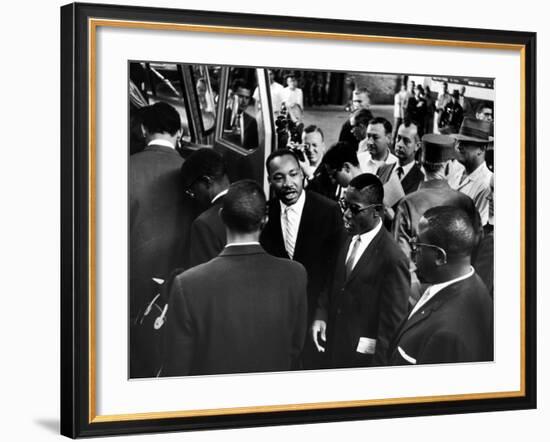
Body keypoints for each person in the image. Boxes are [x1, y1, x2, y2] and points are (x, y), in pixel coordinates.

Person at [161, 180, 308, 376]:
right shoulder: (295, 274)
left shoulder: (186, 284)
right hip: (273, 397)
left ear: (222, 217)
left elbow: (177, 367)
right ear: (265, 220)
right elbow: (296, 347)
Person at [311, 174, 410, 368]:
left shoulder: (393, 258)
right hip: (331, 353)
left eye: (354, 209)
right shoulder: (346, 235)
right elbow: (332, 282)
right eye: (344, 205)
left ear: (377, 211)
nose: (346, 214)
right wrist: (320, 315)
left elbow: (390, 329)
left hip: (362, 363)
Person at [260, 149, 344, 369]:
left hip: (315, 318)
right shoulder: (264, 216)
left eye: (293, 174)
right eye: (279, 177)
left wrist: (321, 313)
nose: (288, 183)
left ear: (303, 175)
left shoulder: (329, 211)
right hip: (276, 321)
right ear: (270, 181)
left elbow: (335, 270)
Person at [129, 101, 195, 377]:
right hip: (177, 283)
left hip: (131, 281)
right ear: (178, 132)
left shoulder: (122, 168)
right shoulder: (191, 171)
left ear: (143, 129)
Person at [389, 206, 493, 365]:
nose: (412, 251)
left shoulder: (448, 335)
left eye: (417, 245)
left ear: (439, 256)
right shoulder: (472, 284)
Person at [392, 134, 479, 306]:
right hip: (459, 294)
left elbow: (401, 261)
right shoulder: (465, 203)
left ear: (422, 165)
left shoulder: (407, 204)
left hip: (418, 297)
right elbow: (476, 250)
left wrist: (420, 299)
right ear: (447, 166)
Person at [180, 148, 231, 268]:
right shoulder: (252, 204)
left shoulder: (204, 224)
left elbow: (203, 278)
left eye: (191, 189)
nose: (193, 195)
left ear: (206, 181)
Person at [448, 117, 494, 225]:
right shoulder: (455, 172)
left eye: (466, 143)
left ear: (482, 149)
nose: (458, 146)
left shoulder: (487, 184)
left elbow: (478, 228)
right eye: (458, 141)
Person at [377, 120, 424, 195]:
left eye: (406, 141)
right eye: (398, 138)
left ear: (417, 146)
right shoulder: (382, 170)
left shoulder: (422, 179)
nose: (399, 144)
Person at [300, 125, 338, 199]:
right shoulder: (298, 169)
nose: (310, 150)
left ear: (323, 146)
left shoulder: (330, 172)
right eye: (306, 146)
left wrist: (310, 176)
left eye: (314, 145)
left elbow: (327, 200)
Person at [223, 78, 259, 150]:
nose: (244, 101)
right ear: (232, 96)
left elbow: (253, 148)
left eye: (247, 98)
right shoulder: (222, 117)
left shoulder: (252, 122)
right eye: (241, 96)